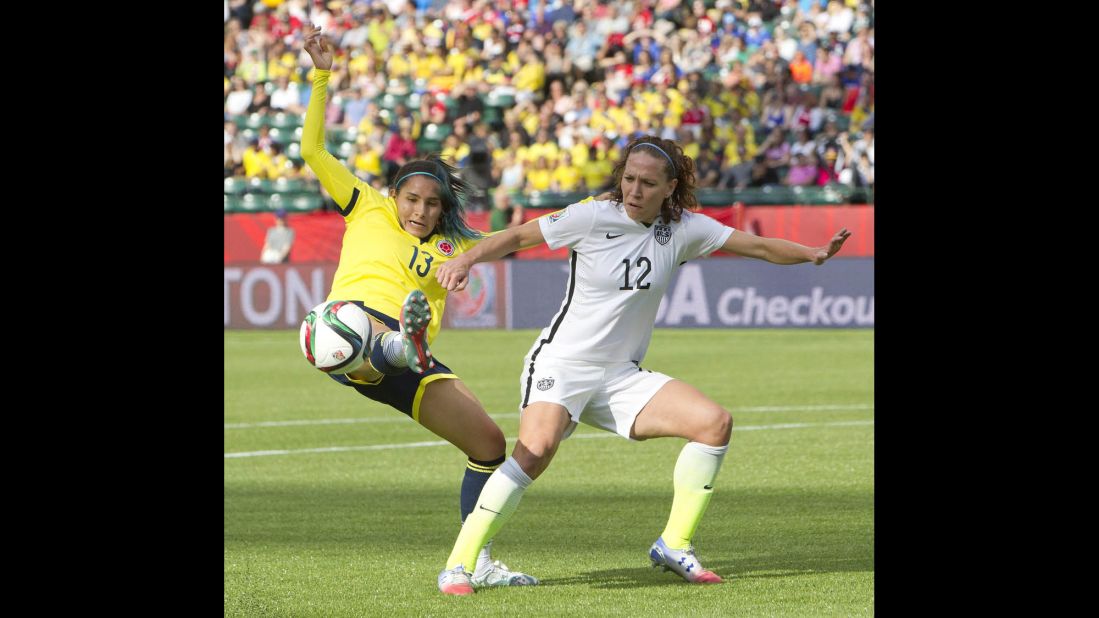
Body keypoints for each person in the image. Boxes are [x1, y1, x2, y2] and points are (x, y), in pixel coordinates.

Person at [432, 135, 850, 594]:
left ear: (671, 187)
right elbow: (516, 236)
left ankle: (674, 544)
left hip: (619, 375)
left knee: (714, 424)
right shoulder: (591, 214)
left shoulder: (687, 228)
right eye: (628, 178)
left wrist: (812, 254)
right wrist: (468, 259)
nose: (634, 190)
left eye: (647, 183)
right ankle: (459, 565)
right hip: (563, 363)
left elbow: (759, 247)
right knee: (535, 451)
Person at [298, 25, 537, 591]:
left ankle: (472, 560)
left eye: (432, 204)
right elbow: (312, 149)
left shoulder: (454, 248)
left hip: (409, 365)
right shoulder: (366, 204)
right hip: (358, 326)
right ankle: (384, 344)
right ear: (396, 193)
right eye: (412, 199)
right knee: (345, 331)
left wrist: (584, 216)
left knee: (489, 446)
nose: (421, 211)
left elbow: (513, 239)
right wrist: (322, 76)